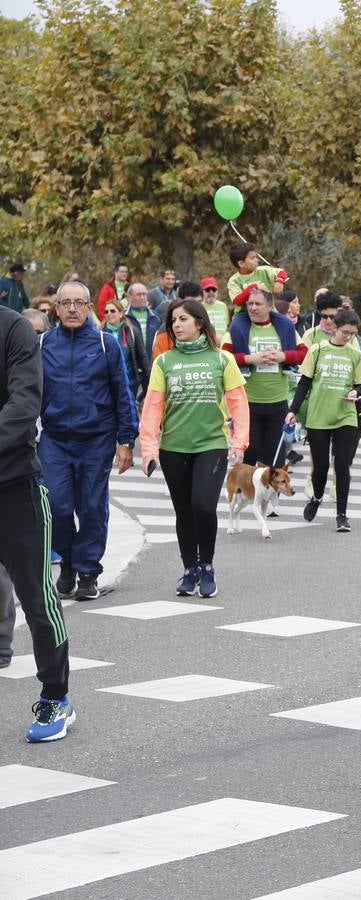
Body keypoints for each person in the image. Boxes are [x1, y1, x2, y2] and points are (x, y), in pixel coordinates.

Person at [138, 300, 249, 598]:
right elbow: (152, 409)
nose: (176, 325)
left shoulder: (222, 359)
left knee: (203, 505)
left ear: (199, 322)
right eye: (173, 320)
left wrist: (239, 443)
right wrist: (149, 450)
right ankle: (190, 569)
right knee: (184, 511)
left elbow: (239, 404)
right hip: (173, 448)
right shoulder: (164, 362)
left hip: (210, 445)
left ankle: (207, 567)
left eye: (183, 319)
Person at [0, 303, 75, 741]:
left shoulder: (14, 330)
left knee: (38, 599)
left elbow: (24, 403)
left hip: (16, 488)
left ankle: (55, 697)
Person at [38, 281, 137, 601]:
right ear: (56, 308)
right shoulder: (41, 345)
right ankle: (67, 560)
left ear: (88, 307)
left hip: (95, 440)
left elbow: (123, 393)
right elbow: (27, 393)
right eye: (64, 303)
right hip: (54, 440)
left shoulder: (106, 344)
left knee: (92, 506)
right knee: (56, 505)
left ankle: (88, 571)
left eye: (78, 303)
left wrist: (126, 440)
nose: (71, 308)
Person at [288, 309, 361, 533]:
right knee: (320, 467)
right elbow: (304, 382)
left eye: (353, 333)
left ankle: (342, 515)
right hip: (319, 415)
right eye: (345, 332)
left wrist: (356, 392)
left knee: (342, 465)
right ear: (334, 328)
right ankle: (317, 497)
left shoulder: (355, 354)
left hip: (345, 415)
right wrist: (293, 410)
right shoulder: (318, 349)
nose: (349, 337)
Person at [225, 286, 308, 469]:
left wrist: (283, 357)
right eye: (250, 304)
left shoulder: (284, 327)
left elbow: (304, 353)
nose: (253, 308)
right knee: (247, 459)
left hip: (277, 403)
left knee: (274, 462)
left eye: (258, 304)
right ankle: (245, 496)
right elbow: (224, 357)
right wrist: (250, 359)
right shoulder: (238, 327)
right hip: (248, 403)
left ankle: (270, 497)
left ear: (270, 306)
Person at [98, 294, 151, 401]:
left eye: (113, 311)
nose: (109, 314)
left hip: (130, 384)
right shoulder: (99, 334)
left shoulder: (131, 331)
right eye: (106, 312)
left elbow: (142, 356)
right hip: (107, 385)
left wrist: (149, 379)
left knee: (128, 414)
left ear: (121, 313)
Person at [226, 241, 288, 313]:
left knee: (286, 323)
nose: (257, 260)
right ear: (241, 263)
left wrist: (279, 281)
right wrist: (255, 287)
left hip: (269, 312)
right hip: (245, 315)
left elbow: (282, 272)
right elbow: (237, 301)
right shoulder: (234, 280)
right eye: (252, 258)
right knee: (237, 324)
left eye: (256, 257)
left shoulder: (264, 270)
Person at [152, 282, 202, 360]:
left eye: (199, 302)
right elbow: (158, 363)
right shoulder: (166, 330)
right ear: (180, 301)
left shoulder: (208, 327)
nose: (197, 308)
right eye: (191, 303)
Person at [125, 281, 162, 348]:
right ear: (129, 297)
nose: (142, 297)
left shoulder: (156, 317)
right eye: (138, 294)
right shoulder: (124, 316)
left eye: (144, 294)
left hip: (152, 357)